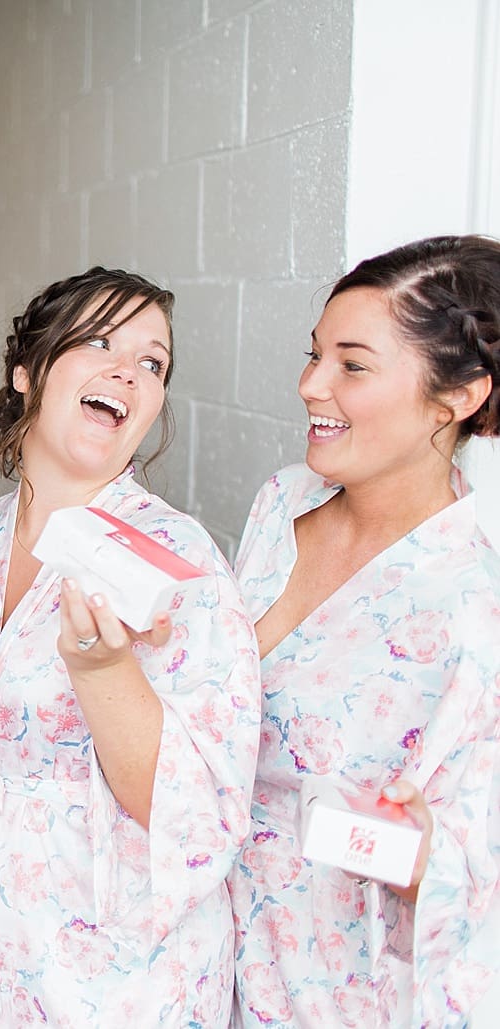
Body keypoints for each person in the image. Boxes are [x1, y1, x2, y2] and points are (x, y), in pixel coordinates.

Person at [0, 268, 260, 1024]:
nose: (126, 370)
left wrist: (105, 668)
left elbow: (196, 815)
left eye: (151, 361)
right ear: (26, 371)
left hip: (114, 982)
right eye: (99, 340)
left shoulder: (175, 562)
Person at [230, 236, 500, 1025]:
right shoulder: (280, 504)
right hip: (206, 955)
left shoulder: (473, 597)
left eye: (351, 364)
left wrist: (418, 853)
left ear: (457, 398)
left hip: (335, 985)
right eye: (314, 355)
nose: (308, 384)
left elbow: (467, 867)